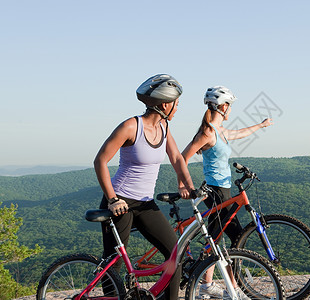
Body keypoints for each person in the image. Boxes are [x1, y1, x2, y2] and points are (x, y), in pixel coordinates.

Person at [94, 74, 195, 300]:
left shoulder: (165, 127)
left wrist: (188, 185)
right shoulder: (131, 127)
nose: (178, 109)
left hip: (145, 202)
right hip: (120, 199)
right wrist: (112, 199)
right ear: (165, 104)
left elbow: (177, 157)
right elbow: (100, 160)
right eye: (177, 104)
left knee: (174, 255)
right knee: (114, 261)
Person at [180, 86, 273, 299]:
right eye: (229, 106)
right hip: (215, 192)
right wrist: (185, 185)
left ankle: (209, 284)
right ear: (223, 106)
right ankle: (227, 288)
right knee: (233, 237)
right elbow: (183, 157)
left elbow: (240, 133)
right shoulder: (208, 133)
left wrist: (261, 125)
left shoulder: (219, 131)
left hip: (224, 190)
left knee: (218, 237)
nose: (230, 110)